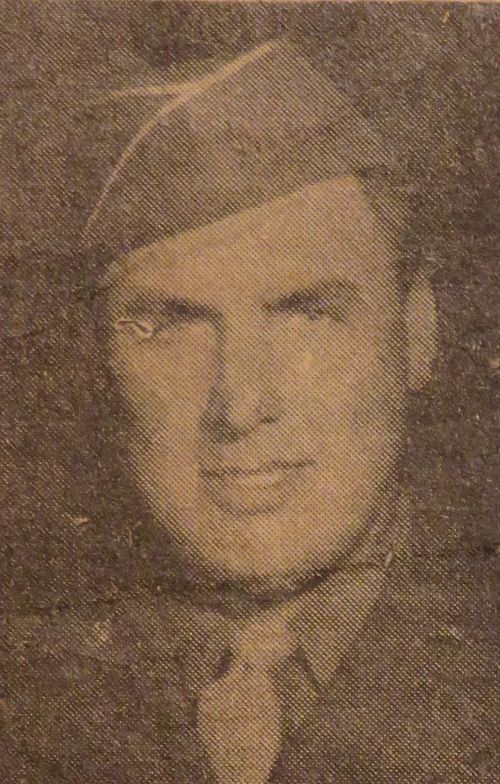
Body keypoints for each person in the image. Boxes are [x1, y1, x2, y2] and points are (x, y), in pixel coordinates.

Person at [1, 38, 496, 784]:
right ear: (96, 366)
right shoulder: (27, 698)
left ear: (417, 333)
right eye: (169, 327)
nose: (240, 404)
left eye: (307, 315)